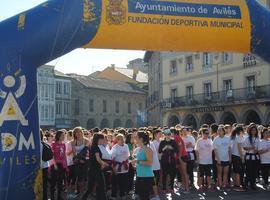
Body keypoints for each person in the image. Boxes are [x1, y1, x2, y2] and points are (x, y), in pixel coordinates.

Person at [82, 133, 109, 200]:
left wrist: (102, 163)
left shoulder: (92, 146)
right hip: (96, 170)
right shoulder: (96, 147)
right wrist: (104, 164)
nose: (103, 141)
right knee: (102, 187)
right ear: (99, 139)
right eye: (102, 139)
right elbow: (98, 159)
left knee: (90, 188)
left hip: (91, 169)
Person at [134, 131, 154, 200]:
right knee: (141, 197)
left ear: (141, 139)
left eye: (136, 137)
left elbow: (150, 163)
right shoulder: (140, 149)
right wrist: (135, 163)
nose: (135, 138)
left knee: (144, 197)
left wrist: (138, 161)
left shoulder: (147, 149)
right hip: (140, 176)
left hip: (146, 177)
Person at [159, 129, 179, 193]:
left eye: (169, 134)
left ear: (170, 135)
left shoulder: (173, 141)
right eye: (166, 134)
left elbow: (177, 150)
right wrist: (164, 148)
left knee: (172, 174)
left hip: (172, 160)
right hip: (164, 160)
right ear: (164, 135)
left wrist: (171, 148)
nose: (168, 136)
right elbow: (159, 151)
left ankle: (171, 187)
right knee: (164, 174)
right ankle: (164, 188)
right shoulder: (162, 142)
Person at [71, 127, 90, 195]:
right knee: (78, 176)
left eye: (79, 132)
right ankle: (78, 191)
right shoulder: (73, 142)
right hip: (78, 161)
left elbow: (86, 151)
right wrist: (79, 159)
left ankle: (85, 191)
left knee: (85, 176)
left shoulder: (87, 140)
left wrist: (83, 159)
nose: (78, 133)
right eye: (76, 132)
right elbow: (74, 153)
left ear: (82, 132)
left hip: (86, 161)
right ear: (74, 134)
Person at [111, 134, 130, 199]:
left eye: (123, 139)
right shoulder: (115, 147)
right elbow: (112, 158)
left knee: (123, 182)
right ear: (117, 140)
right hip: (117, 167)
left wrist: (126, 164)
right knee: (115, 183)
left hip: (124, 167)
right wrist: (114, 168)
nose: (122, 140)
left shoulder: (126, 146)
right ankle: (113, 195)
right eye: (120, 139)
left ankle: (122, 194)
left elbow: (128, 155)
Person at [50, 130, 68, 200]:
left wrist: (66, 165)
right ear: (58, 136)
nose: (63, 137)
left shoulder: (63, 144)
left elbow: (64, 155)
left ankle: (59, 196)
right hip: (55, 164)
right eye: (62, 135)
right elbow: (52, 155)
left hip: (62, 164)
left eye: (64, 135)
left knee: (60, 181)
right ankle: (52, 196)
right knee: (53, 181)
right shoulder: (54, 144)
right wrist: (54, 164)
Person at [242, 124, 260, 190]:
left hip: (255, 156)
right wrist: (250, 148)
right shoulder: (247, 138)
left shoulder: (258, 138)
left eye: (255, 130)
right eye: (252, 130)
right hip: (249, 156)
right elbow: (244, 147)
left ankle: (253, 184)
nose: (253, 131)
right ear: (250, 131)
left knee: (254, 171)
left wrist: (257, 150)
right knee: (248, 171)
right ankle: (246, 184)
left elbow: (259, 147)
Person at [230, 126, 246, 191]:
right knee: (238, 171)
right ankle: (238, 185)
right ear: (240, 131)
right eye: (243, 130)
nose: (244, 131)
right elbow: (239, 148)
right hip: (237, 156)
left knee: (237, 171)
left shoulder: (236, 137)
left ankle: (236, 184)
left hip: (235, 155)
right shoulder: (238, 137)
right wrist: (242, 157)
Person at [150, 129, 161, 200]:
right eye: (159, 133)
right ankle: (155, 193)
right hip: (154, 162)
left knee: (156, 179)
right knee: (154, 180)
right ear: (155, 134)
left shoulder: (160, 141)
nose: (160, 134)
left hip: (157, 162)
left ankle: (156, 194)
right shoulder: (153, 142)